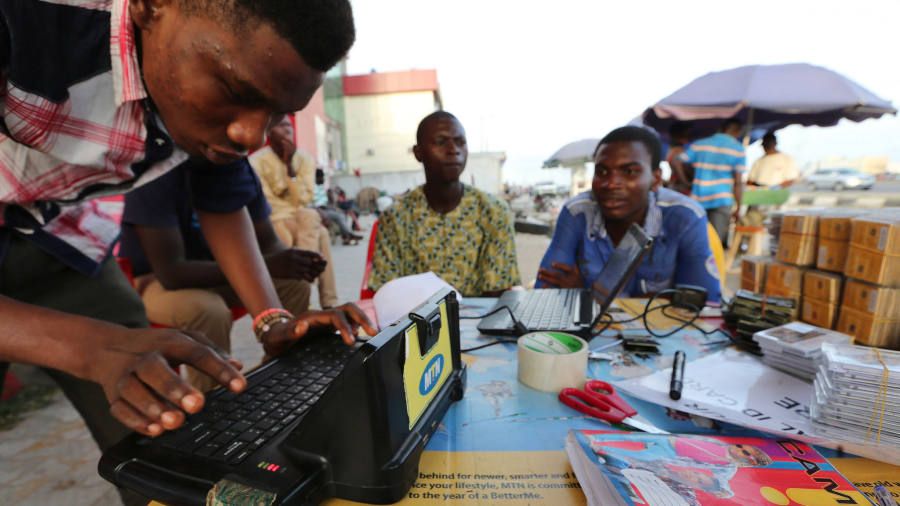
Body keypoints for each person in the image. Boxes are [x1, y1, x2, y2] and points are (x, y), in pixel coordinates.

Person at [0, 1, 363, 502]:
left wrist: (271, 320)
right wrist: (90, 346)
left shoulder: (201, 87)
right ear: (152, 7)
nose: (251, 135)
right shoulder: (27, 19)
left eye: (279, 113)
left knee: (159, 437)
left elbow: (221, 200)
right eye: (235, 91)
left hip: (66, 239)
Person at [120, 164, 326, 391]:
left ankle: (276, 379)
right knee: (208, 310)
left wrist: (293, 261)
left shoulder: (235, 170)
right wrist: (269, 265)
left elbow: (269, 244)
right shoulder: (156, 176)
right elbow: (171, 273)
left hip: (217, 275)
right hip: (156, 281)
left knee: (294, 285)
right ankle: (214, 398)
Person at [536, 126, 721, 303]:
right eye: (602, 171)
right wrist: (661, 300)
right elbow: (545, 291)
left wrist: (585, 295)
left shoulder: (684, 217)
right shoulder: (577, 213)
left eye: (629, 171)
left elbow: (704, 303)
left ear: (656, 179)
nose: (611, 183)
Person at [369, 111, 520, 297]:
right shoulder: (396, 217)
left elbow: (498, 291)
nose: (453, 150)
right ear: (418, 153)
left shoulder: (493, 211)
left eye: (460, 142)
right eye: (441, 142)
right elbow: (387, 292)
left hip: (482, 315)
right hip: (413, 314)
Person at [251, 117, 339, 308]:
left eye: (289, 126)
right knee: (322, 234)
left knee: (310, 216)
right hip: (274, 219)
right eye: (281, 125)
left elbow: (304, 199)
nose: (287, 130)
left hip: (301, 217)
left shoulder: (304, 158)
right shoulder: (256, 161)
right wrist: (285, 184)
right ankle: (326, 300)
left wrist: (290, 168)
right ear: (269, 131)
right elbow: (266, 202)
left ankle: (310, 288)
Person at [673, 118, 746, 245]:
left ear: (723, 128)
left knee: (695, 241)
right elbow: (738, 182)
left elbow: (676, 160)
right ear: (737, 131)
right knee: (715, 243)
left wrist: (685, 181)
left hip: (698, 198)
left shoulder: (700, 144)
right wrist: (739, 207)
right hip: (722, 200)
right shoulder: (738, 149)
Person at [314, 168, 363, 245]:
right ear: (317, 178)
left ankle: (346, 236)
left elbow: (326, 203)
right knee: (339, 215)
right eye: (322, 177)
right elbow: (316, 205)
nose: (323, 179)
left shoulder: (321, 188)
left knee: (343, 213)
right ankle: (348, 235)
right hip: (319, 211)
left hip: (326, 209)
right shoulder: (313, 188)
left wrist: (332, 204)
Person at [665, 121, 694, 195]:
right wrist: (687, 183)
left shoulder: (671, 149)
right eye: (687, 134)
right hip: (680, 188)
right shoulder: (678, 151)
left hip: (674, 186)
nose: (689, 136)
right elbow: (678, 166)